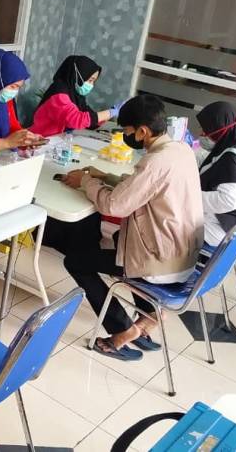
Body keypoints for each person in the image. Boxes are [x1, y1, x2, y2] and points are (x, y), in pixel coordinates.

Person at [61, 95, 204, 361]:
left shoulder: (155, 162)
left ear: (143, 131)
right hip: (183, 254)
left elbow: (114, 206)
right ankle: (147, 317)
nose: (127, 136)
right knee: (115, 241)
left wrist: (86, 182)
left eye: (127, 131)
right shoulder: (180, 150)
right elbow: (144, 188)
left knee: (76, 261)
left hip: (161, 262)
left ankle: (122, 330)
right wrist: (106, 177)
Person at [196, 101, 236, 249]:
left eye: (206, 130)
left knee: (163, 215)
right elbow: (215, 163)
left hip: (218, 229)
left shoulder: (231, 159)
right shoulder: (235, 145)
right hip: (225, 221)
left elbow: (231, 200)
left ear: (218, 130)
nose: (201, 134)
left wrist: (190, 197)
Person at [31, 55, 124, 137]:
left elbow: (90, 121)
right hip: (40, 140)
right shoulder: (58, 94)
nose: (91, 85)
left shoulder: (76, 95)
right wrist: (112, 112)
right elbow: (76, 120)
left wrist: (112, 111)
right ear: (78, 76)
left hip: (57, 139)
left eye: (94, 81)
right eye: (90, 80)